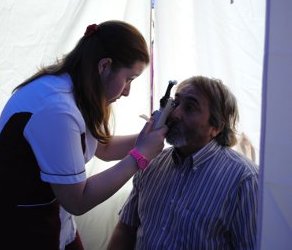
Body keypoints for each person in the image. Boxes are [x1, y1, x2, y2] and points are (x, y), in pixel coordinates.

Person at [0, 20, 168, 250]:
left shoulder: (75, 88)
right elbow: (78, 200)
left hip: (54, 220)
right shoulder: (56, 110)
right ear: (104, 66)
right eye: (129, 79)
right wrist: (139, 156)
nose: (127, 91)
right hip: (17, 232)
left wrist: (149, 137)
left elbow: (102, 148)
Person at [108, 76, 259, 250]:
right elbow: (126, 229)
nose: (175, 114)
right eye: (175, 103)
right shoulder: (151, 162)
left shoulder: (246, 180)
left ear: (215, 127)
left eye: (190, 108)